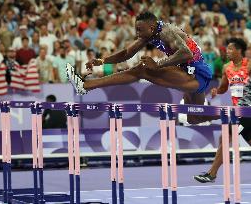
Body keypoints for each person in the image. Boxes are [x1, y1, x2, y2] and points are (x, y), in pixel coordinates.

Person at [66, 11, 212, 124]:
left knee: (141, 70)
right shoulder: (149, 33)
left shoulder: (167, 32)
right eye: (136, 30)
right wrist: (103, 60)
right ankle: (233, 118)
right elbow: (127, 53)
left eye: (140, 30)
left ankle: (86, 85)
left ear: (152, 27)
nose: (137, 34)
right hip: (187, 73)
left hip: (196, 74)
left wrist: (158, 64)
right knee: (194, 118)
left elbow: (186, 53)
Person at [194, 38, 251, 183]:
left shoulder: (249, 65)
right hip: (238, 111)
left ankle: (211, 173)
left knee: (225, 137)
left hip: (247, 111)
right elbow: (224, 87)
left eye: (231, 49)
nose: (227, 51)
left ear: (239, 51)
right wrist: (217, 91)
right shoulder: (227, 67)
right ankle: (211, 173)